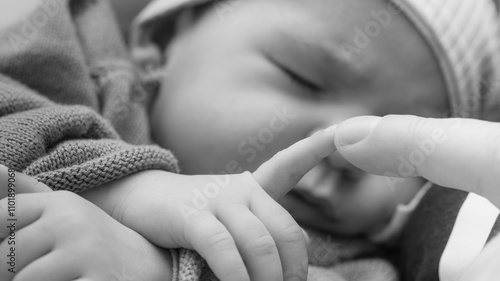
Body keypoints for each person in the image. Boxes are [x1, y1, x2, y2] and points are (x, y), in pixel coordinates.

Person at [129, 0, 500, 279]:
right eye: (304, 80)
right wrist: (124, 192)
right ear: (162, 40)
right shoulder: (80, 90)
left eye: (401, 134)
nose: (346, 148)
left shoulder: (371, 270)